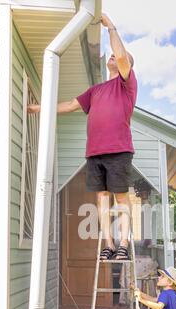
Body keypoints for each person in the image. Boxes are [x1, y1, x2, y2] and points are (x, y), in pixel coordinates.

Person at [28, 13, 137, 260]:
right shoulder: (96, 90)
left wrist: (111, 27)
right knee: (101, 198)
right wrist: (38, 108)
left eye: (121, 58)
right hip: (95, 152)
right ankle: (108, 244)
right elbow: (68, 105)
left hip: (119, 149)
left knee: (120, 197)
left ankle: (123, 242)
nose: (114, 56)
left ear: (127, 66)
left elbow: (120, 55)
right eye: (111, 55)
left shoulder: (126, 85)